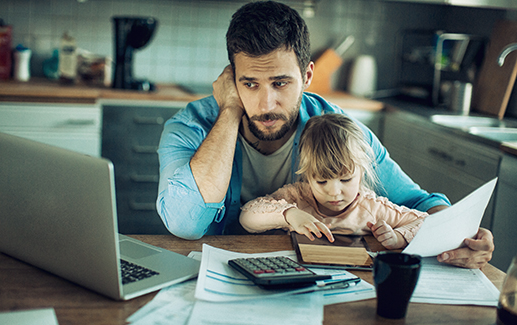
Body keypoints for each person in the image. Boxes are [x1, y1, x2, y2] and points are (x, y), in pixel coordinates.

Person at [157, 0, 494, 268]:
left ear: (307, 75)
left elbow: (420, 203)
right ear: (231, 78)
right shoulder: (192, 125)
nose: (265, 104)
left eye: (280, 83)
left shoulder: (336, 130)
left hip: (309, 278)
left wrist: (459, 236)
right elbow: (184, 222)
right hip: (214, 274)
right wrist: (230, 111)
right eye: (249, 83)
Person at [240, 113, 428, 250]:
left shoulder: (373, 208)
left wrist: (398, 237)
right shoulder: (297, 197)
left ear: (361, 173)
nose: (334, 192)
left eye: (346, 179)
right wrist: (290, 214)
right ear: (308, 175)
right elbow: (247, 217)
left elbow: (426, 222)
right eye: (322, 182)